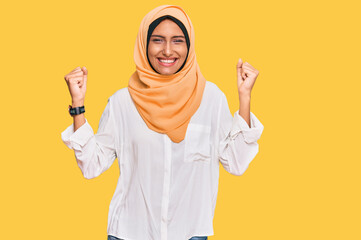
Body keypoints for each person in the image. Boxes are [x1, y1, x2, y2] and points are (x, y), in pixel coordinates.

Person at [61, 5, 264, 240]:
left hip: (190, 233)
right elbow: (91, 166)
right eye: (158, 40)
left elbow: (237, 164)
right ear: (144, 44)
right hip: (129, 233)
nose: (167, 51)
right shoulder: (122, 102)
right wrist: (78, 104)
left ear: (189, 46)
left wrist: (245, 98)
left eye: (177, 41)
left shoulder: (211, 98)